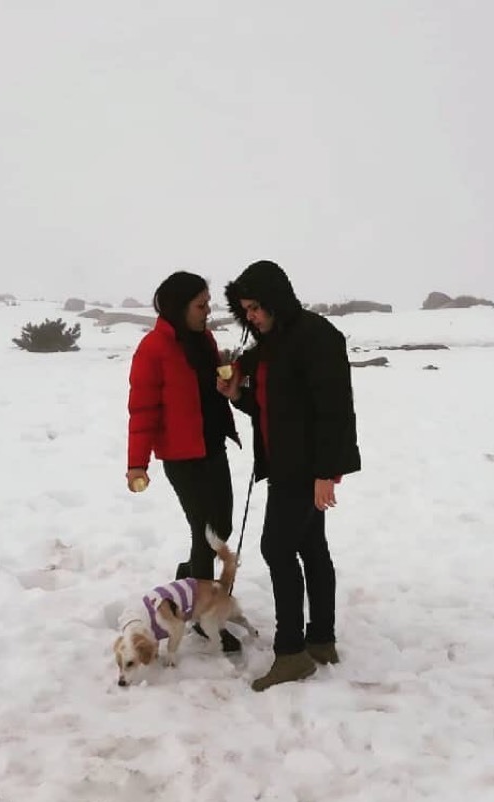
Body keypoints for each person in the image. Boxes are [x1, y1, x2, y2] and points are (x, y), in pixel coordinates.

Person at [219, 260, 361, 690]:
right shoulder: (272, 344)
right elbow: (271, 408)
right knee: (310, 546)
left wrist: (327, 472)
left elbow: (334, 411)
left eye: (257, 307)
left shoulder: (317, 337)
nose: (252, 316)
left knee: (277, 548)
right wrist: (236, 394)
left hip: (305, 467)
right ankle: (321, 640)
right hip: (284, 463)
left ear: (276, 299)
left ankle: (291, 653)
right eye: (245, 310)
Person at [127, 270, 242, 652]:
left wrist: (227, 376)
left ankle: (187, 580)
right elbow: (143, 410)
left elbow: (209, 390)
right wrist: (137, 464)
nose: (207, 311)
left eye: (208, 304)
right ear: (179, 307)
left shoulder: (203, 339)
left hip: (212, 447)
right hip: (181, 456)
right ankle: (200, 612)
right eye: (201, 305)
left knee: (220, 527)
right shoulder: (153, 349)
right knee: (203, 530)